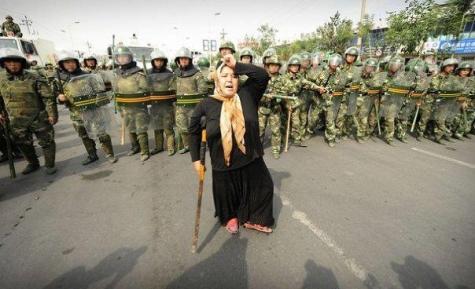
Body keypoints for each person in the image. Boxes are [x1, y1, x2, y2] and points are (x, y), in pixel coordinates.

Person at [189, 54, 274, 234]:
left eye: (234, 76)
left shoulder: (247, 94)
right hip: (223, 162)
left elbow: (262, 75)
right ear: (216, 80)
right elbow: (193, 132)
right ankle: (230, 217)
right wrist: (196, 160)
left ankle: (255, 218)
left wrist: (237, 65)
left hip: (250, 156)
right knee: (226, 195)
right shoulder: (206, 104)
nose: (230, 79)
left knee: (264, 187)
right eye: (224, 75)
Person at [0, 48, 57, 175]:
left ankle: (50, 164)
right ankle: (33, 163)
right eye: (9, 62)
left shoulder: (34, 77)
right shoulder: (1, 79)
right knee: (22, 143)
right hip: (16, 120)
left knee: (47, 142)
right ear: (4, 64)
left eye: (16, 62)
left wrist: (52, 113)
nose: (13, 65)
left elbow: (48, 97)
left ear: (22, 63)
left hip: (38, 117)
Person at [56, 52, 117, 165]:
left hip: (94, 111)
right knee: (84, 135)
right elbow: (55, 96)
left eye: (72, 62)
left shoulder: (88, 75)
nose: (70, 65)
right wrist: (60, 98)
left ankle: (109, 154)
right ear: (62, 65)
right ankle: (92, 155)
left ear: (76, 63)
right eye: (66, 63)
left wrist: (100, 98)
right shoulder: (60, 80)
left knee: (101, 133)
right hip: (76, 113)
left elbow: (101, 92)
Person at [113, 46, 151, 161]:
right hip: (125, 107)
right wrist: (119, 106)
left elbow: (145, 90)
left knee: (140, 130)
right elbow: (116, 91)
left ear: (130, 58)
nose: (123, 59)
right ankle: (135, 147)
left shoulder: (138, 73)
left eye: (125, 57)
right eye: (120, 57)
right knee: (131, 129)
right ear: (117, 59)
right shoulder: (117, 74)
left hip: (139, 108)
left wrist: (135, 97)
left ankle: (144, 151)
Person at [174, 47, 208, 154]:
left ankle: (196, 145)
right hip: (180, 107)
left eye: (186, 59)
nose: (183, 61)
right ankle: (186, 145)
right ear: (178, 60)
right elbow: (172, 89)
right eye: (181, 59)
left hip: (194, 107)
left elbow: (203, 90)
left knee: (194, 128)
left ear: (190, 60)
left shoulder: (197, 74)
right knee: (182, 127)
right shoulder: (176, 74)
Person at [147, 49, 176, 156]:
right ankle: (158, 147)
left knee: (168, 127)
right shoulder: (148, 73)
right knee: (157, 127)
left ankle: (171, 147)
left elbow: (173, 87)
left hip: (166, 105)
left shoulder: (169, 73)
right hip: (154, 106)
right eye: (156, 61)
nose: (159, 63)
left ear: (164, 61)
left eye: (161, 61)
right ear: (153, 62)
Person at [429, 58, 464, 144]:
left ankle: (440, 136)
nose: (451, 68)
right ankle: (434, 134)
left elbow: (460, 88)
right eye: (449, 66)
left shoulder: (453, 78)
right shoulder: (437, 77)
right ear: (444, 66)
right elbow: (434, 88)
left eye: (453, 66)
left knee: (443, 120)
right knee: (434, 119)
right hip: (435, 102)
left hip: (447, 103)